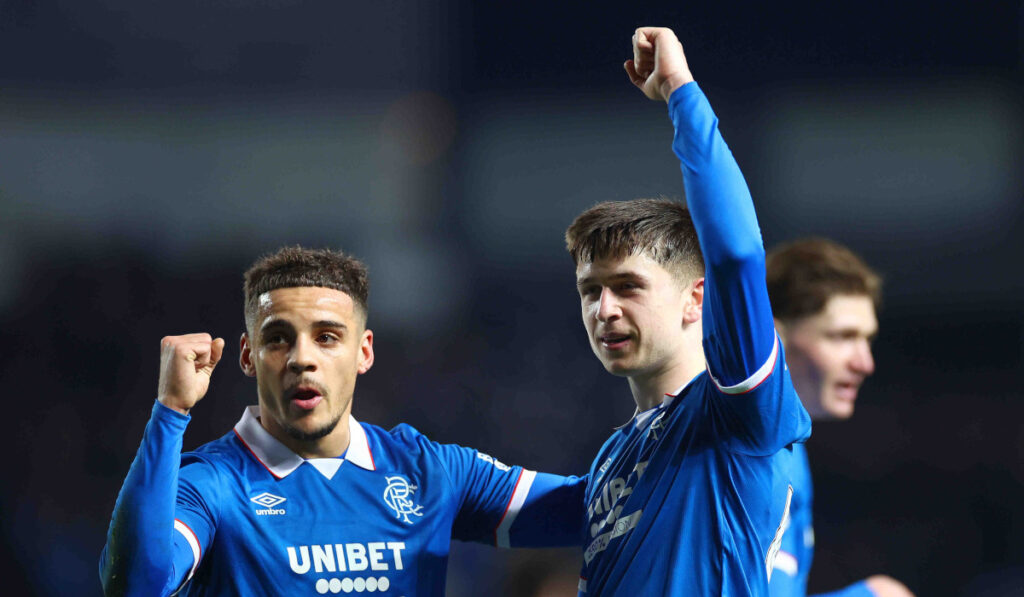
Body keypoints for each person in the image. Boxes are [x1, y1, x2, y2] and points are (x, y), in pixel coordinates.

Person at [99, 247, 585, 596]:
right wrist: (171, 412)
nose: (301, 358)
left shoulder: (430, 472)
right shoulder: (211, 486)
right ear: (247, 356)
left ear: (363, 352)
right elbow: (136, 586)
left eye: (327, 337)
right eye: (278, 338)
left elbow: (585, 509)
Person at [564, 27, 811, 595]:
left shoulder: (732, 411)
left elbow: (736, 253)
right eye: (590, 291)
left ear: (696, 298)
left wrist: (680, 90)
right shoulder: (612, 457)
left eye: (628, 286)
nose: (605, 309)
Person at [766, 238, 914, 597]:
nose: (865, 363)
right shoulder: (744, 449)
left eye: (867, 340)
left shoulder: (790, 450)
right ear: (774, 337)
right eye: (842, 337)